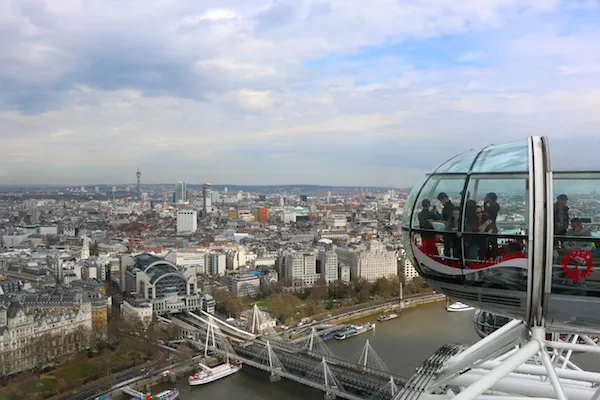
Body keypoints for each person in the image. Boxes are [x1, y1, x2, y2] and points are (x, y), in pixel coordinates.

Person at [484, 192, 500, 256]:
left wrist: (485, 203)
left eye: (487, 197)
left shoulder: (494, 206)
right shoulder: (495, 206)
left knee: (493, 243)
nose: (485, 198)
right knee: (491, 243)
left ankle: (493, 256)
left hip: (491, 226)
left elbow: (488, 213)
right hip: (491, 226)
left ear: (490, 198)